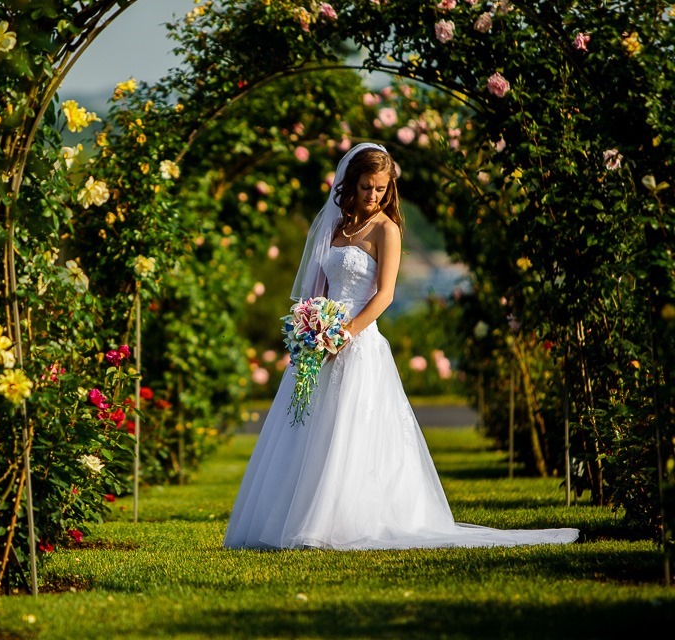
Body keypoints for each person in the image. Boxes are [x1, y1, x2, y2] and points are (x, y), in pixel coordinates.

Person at [223, 142, 579, 550]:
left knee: (349, 432)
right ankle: (288, 518)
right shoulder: (335, 227)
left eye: (380, 189)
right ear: (349, 185)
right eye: (365, 188)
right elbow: (317, 288)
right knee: (308, 428)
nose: (372, 196)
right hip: (320, 343)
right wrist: (311, 329)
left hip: (358, 342)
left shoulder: (386, 230)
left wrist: (344, 333)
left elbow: (385, 294)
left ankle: (337, 523)